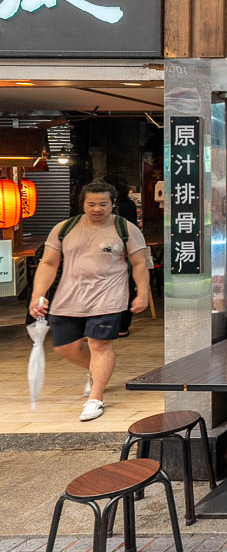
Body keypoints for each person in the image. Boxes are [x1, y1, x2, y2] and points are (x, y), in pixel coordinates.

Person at [27, 181, 151, 422]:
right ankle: (94, 371)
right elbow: (49, 263)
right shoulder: (65, 228)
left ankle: (96, 398)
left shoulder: (125, 228)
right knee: (66, 347)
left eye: (103, 204)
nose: (97, 209)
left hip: (109, 296)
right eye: (91, 204)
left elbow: (139, 263)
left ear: (113, 204)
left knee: (99, 345)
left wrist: (142, 292)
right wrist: (37, 295)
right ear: (82, 204)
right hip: (68, 297)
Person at [104, 175, 140, 337]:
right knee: (126, 287)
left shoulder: (102, 206)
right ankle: (122, 327)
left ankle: (103, 326)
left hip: (102, 252)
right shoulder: (129, 205)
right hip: (125, 250)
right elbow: (133, 227)